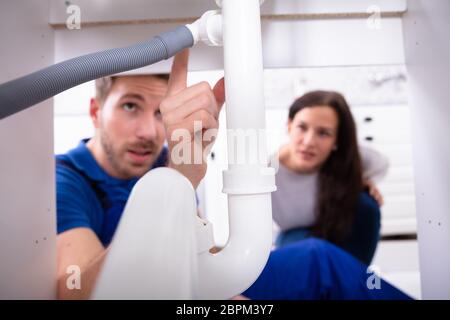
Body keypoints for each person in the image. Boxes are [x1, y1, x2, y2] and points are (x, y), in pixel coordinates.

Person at [55, 50, 410, 300]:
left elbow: (202, 254)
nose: (149, 131)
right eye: (130, 106)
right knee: (319, 262)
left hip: (196, 286)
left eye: (162, 112)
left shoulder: (163, 161)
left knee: (320, 260)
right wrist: (176, 178)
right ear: (95, 110)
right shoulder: (66, 180)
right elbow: (75, 294)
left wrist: (232, 294)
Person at [272, 91, 389, 265]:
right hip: (295, 237)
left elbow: (381, 164)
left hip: (334, 229)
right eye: (302, 127)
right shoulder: (266, 171)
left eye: (323, 133)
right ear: (289, 126)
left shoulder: (348, 158)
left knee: (366, 205)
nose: (309, 141)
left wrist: (360, 179)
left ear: (337, 141)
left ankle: (353, 281)